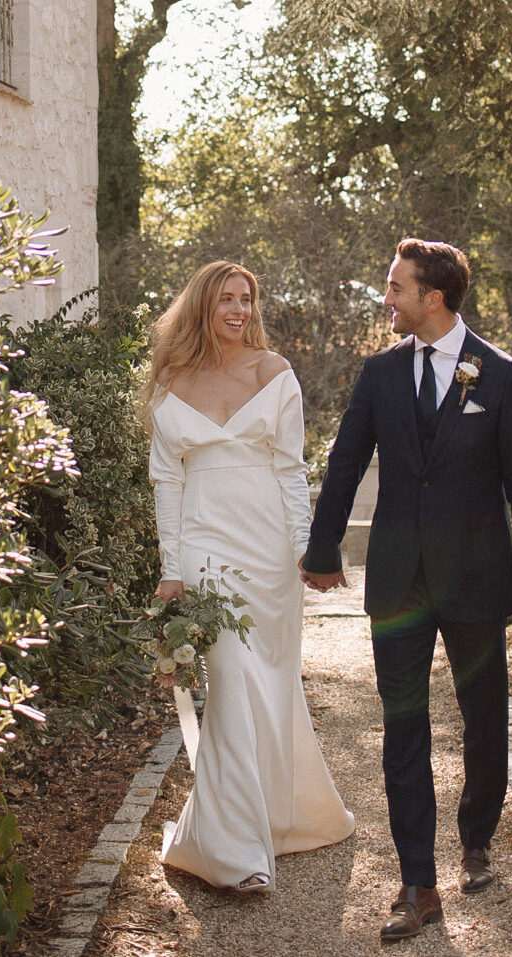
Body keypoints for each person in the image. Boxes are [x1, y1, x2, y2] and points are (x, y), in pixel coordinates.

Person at [300, 239, 512, 940]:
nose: (387, 299)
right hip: (398, 582)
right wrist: (321, 550)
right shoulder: (378, 375)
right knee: (402, 728)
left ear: (432, 297)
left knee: (483, 719)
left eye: (395, 287)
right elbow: (344, 460)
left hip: (476, 577)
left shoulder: (501, 376)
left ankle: (476, 836)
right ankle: (416, 881)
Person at [144, 259, 355, 893]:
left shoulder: (276, 373)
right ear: (203, 307)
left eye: (247, 299)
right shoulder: (173, 381)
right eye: (227, 299)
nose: (239, 309)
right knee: (232, 681)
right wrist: (172, 570)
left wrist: (306, 549)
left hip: (270, 553)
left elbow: (292, 470)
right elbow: (167, 479)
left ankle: (284, 817)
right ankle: (234, 854)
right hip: (207, 546)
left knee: (272, 683)